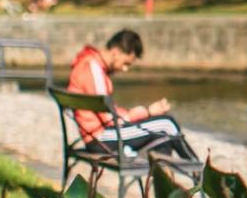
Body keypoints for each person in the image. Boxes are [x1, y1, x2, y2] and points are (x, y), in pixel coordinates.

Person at [67, 28, 197, 159]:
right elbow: (109, 118)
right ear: (115, 53)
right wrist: (147, 113)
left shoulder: (88, 64)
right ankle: (201, 172)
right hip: (102, 139)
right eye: (126, 63)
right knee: (166, 123)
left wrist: (143, 115)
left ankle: (164, 177)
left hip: (98, 135)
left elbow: (106, 111)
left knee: (162, 135)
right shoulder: (93, 68)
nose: (125, 69)